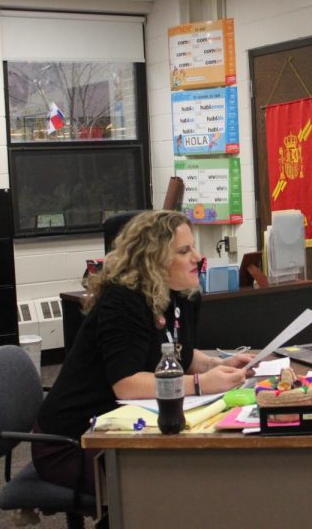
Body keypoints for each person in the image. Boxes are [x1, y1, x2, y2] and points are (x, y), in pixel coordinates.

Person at [33, 210, 253, 495]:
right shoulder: (123, 301)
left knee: (198, 470)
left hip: (121, 428)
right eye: (184, 250)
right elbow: (126, 383)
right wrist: (199, 384)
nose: (197, 257)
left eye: (194, 247)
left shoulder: (180, 294)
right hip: (74, 442)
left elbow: (177, 353)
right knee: (179, 484)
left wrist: (214, 363)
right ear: (154, 260)